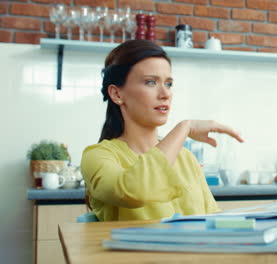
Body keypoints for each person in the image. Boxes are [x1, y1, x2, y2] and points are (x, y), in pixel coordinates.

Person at [80, 40, 244, 221]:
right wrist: (185, 127)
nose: (165, 94)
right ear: (117, 94)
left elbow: (212, 217)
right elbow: (134, 191)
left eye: (168, 84)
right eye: (150, 82)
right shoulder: (97, 156)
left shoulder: (186, 158)